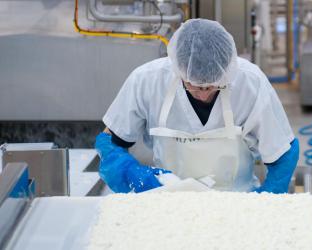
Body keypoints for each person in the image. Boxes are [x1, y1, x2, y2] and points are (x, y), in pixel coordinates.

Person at [95, 18, 299, 194]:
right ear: (177, 69)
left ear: (227, 71)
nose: (203, 94)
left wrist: (266, 199)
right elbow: (111, 141)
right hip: (167, 199)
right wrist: (130, 172)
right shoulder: (147, 80)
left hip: (236, 202)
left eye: (212, 86)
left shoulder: (251, 83)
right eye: (193, 85)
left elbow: (282, 153)